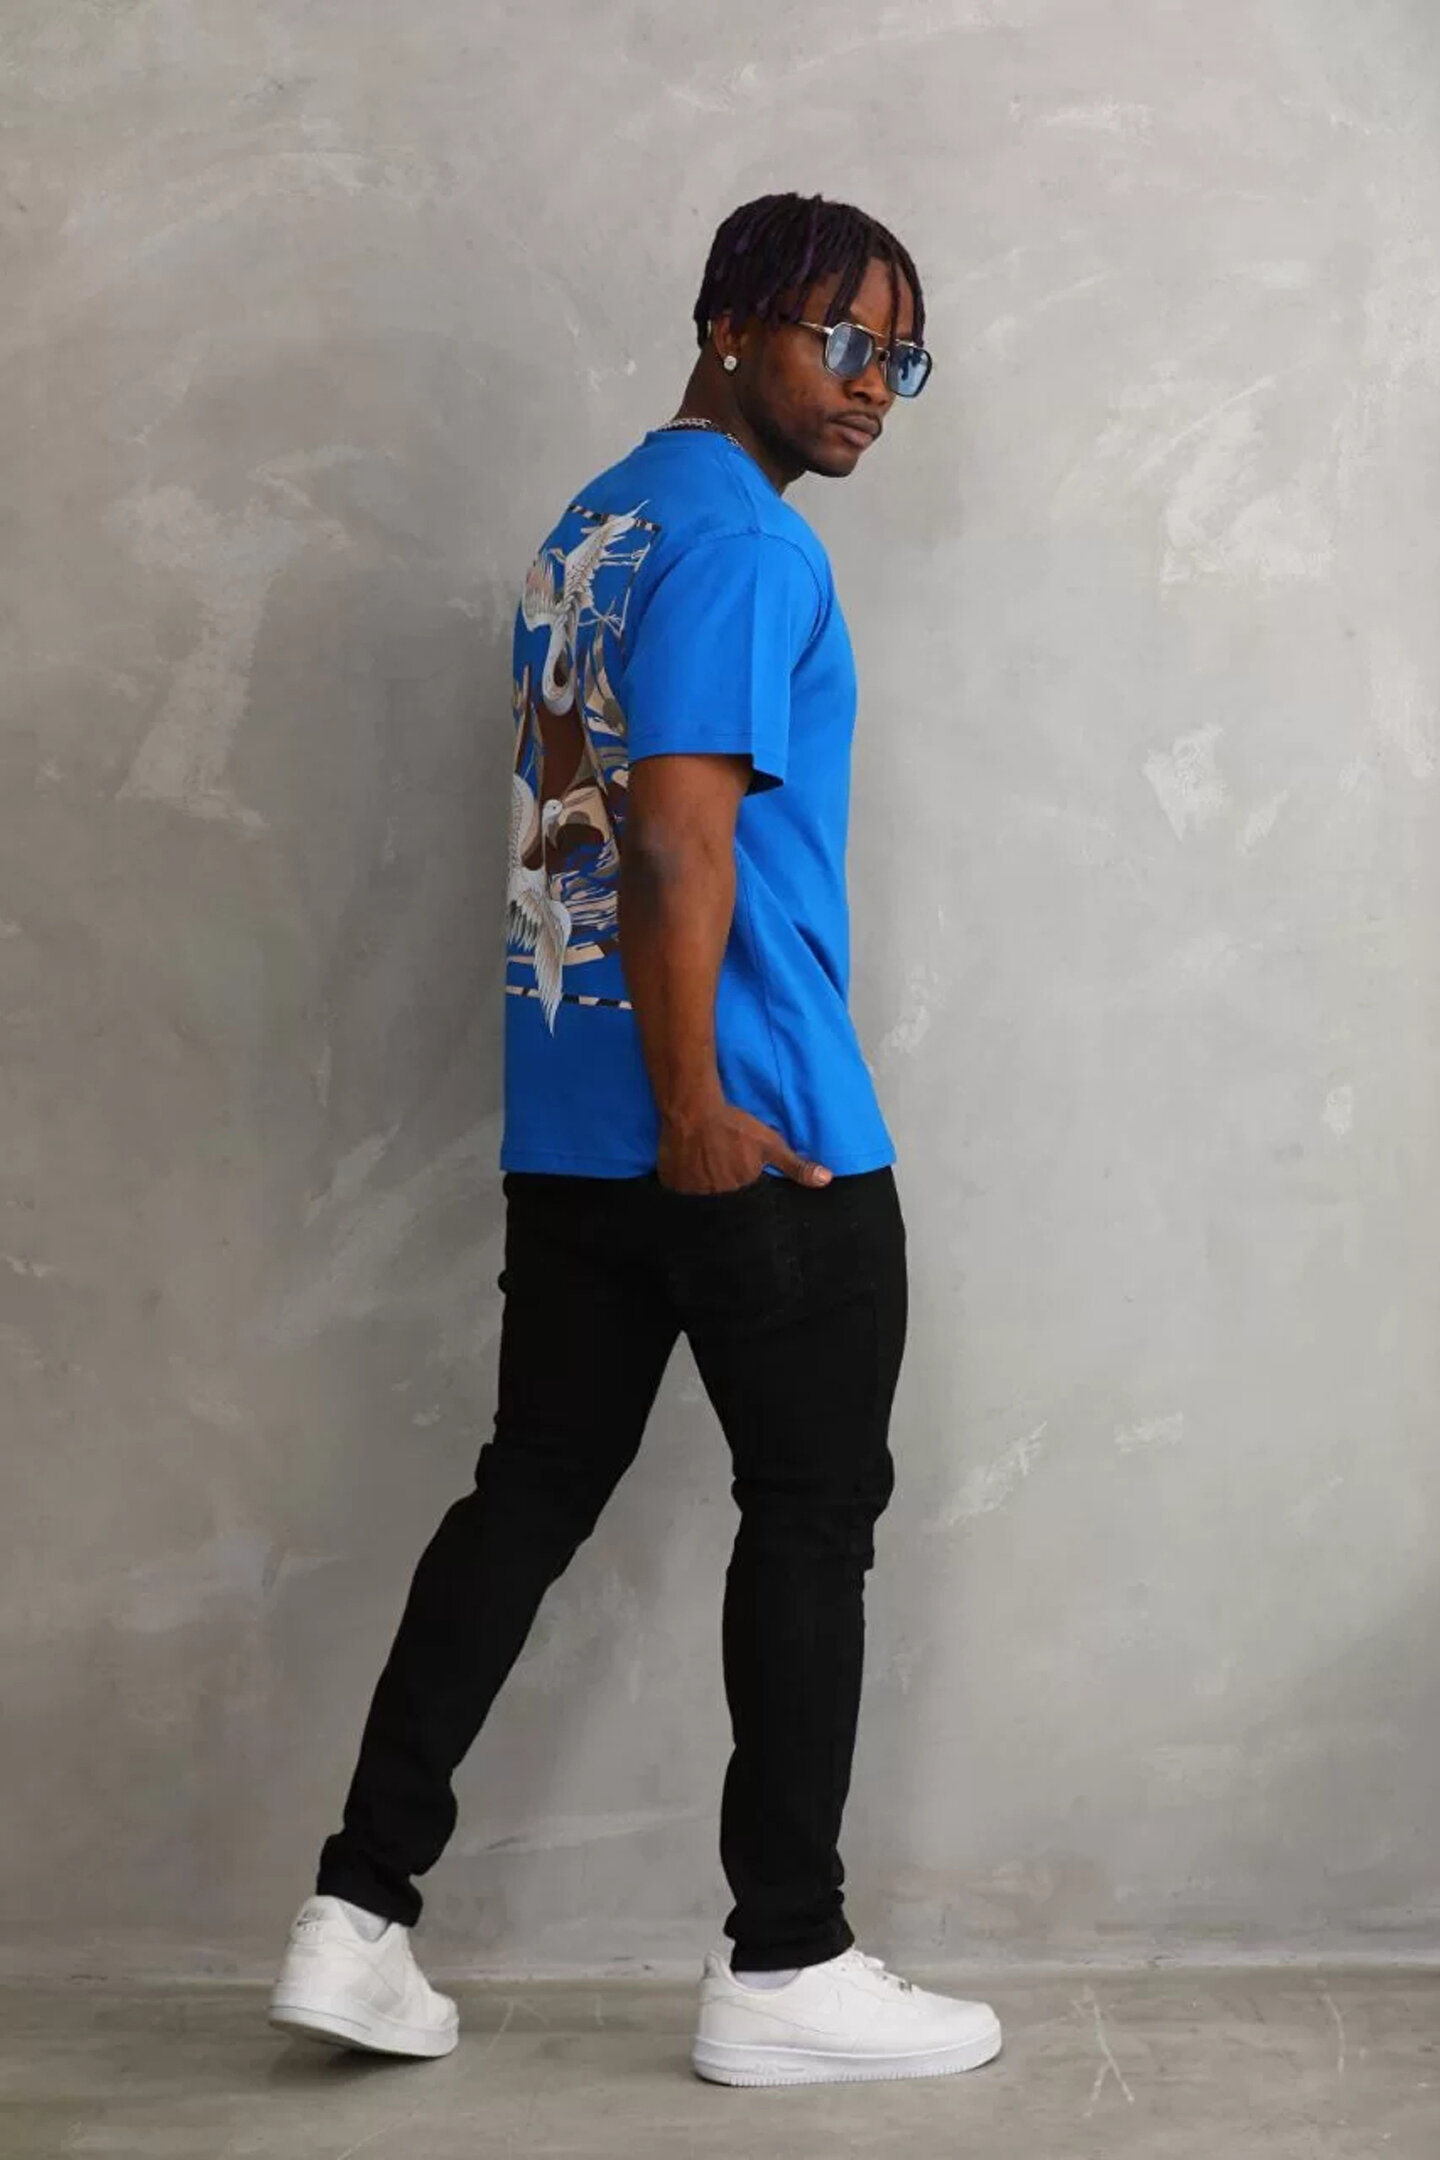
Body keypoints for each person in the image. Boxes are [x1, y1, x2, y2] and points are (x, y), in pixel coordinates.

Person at [269, 190, 1002, 2089]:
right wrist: (700, 1112)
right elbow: (672, 841)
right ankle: (787, 1965)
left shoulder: (595, 526)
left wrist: (646, 1112)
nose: (874, 385)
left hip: (573, 1125)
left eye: (901, 357)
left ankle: (358, 1915)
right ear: (728, 322)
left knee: (526, 1493)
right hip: (748, 1127)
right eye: (842, 338)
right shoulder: (744, 543)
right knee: (813, 1517)